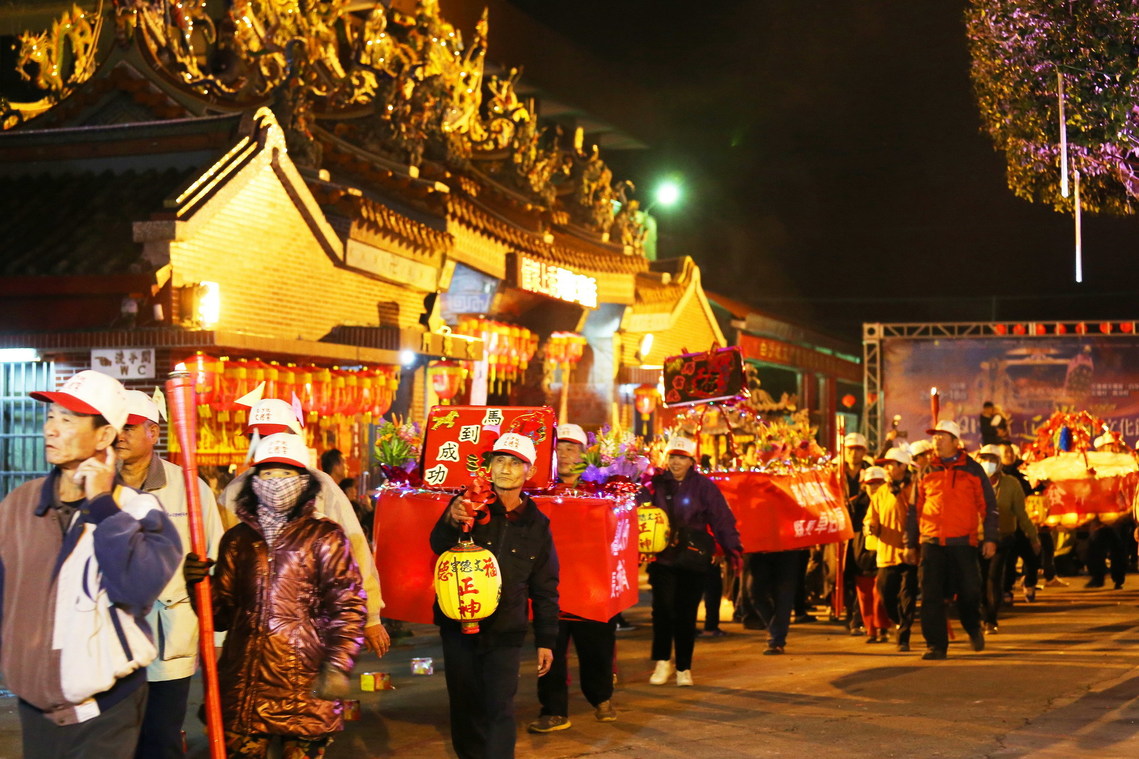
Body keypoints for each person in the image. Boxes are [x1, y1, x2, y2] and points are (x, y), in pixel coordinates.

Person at [0, 370, 182, 757]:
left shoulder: (139, 509)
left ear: (104, 436)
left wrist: (102, 508)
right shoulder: (19, 505)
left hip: (106, 712)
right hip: (36, 708)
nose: (52, 429)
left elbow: (136, 587)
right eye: (50, 416)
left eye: (68, 419)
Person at [189, 433, 365, 758]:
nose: (276, 483)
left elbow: (349, 607)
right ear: (254, 481)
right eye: (268, 474)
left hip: (305, 686)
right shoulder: (237, 540)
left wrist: (338, 665)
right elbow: (221, 615)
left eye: (286, 474)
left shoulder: (325, 537)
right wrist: (197, 585)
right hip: (245, 686)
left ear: (304, 482)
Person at [219, 399, 389, 657]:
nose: (261, 444)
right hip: (252, 629)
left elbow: (355, 550)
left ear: (292, 436)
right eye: (255, 437)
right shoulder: (233, 493)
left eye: (268, 436)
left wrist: (371, 615)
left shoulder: (322, 486)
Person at [430, 433, 560, 759]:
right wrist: (450, 519)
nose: (505, 468)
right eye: (500, 460)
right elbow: (437, 544)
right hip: (459, 625)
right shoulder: (468, 503)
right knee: (464, 703)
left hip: (506, 629)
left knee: (500, 706)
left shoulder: (537, 524)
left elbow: (545, 586)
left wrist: (546, 639)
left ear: (528, 472)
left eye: (515, 462)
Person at [114, 390, 226, 759]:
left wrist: (219, 637)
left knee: (160, 739)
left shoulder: (189, 488)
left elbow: (215, 562)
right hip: (109, 639)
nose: (120, 434)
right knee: (114, 740)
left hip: (168, 636)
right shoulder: (95, 482)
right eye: (115, 425)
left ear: (153, 432)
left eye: (129, 427)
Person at [529, 423, 617, 734]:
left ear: (584, 454)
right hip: (549, 587)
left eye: (571, 448)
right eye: (559, 448)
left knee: (596, 647)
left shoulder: (603, 489)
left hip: (591, 584)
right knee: (549, 648)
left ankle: (602, 697)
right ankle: (552, 710)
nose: (564, 455)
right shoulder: (538, 491)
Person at [644, 437, 742, 682]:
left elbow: (722, 519)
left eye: (682, 458)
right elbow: (638, 510)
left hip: (693, 560)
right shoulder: (654, 484)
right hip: (662, 559)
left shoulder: (704, 487)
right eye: (672, 457)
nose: (676, 462)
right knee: (663, 612)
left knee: (686, 613)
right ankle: (663, 662)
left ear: (691, 461)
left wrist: (733, 549)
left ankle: (683, 667)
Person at [908, 420, 999, 660]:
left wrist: (990, 537)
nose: (936, 441)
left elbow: (988, 505)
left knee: (969, 592)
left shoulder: (973, 470)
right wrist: (910, 543)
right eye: (935, 437)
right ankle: (936, 645)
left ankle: (972, 626)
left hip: (963, 542)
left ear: (956, 443)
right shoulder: (926, 471)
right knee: (931, 595)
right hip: (932, 542)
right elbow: (913, 510)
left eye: (942, 437)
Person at [976, 444, 1038, 633]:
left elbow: (1021, 513)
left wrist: (1033, 537)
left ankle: (991, 619)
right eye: (984, 459)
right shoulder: (973, 482)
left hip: (1002, 538)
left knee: (993, 578)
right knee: (979, 579)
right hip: (977, 538)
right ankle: (981, 613)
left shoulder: (1011, 484)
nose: (987, 464)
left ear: (999, 463)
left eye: (991, 460)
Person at [867, 448, 919, 652]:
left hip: (911, 552)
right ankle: (899, 621)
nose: (887, 469)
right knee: (886, 593)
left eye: (891, 464)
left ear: (903, 466)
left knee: (908, 595)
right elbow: (873, 517)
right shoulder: (881, 492)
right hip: (887, 553)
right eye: (885, 465)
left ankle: (903, 636)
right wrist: (871, 526)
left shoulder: (915, 489)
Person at [851, 467, 891, 644]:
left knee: (879, 593)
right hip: (861, 554)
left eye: (878, 483)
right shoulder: (854, 505)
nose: (874, 488)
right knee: (865, 596)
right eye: (870, 484)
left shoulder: (891, 500)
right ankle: (870, 630)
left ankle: (882, 627)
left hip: (884, 553)